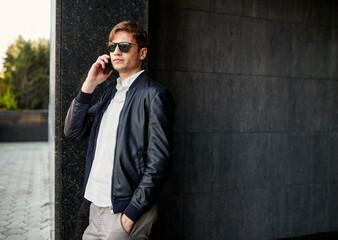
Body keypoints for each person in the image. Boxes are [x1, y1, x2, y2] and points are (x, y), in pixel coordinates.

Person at [64, 20, 175, 240]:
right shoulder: (111, 94)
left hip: (123, 214)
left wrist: (132, 213)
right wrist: (90, 84)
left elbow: (159, 162)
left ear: (142, 53)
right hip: (95, 207)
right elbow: (72, 131)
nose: (116, 51)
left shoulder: (154, 95)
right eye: (112, 46)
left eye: (124, 46)